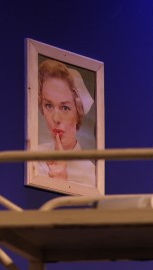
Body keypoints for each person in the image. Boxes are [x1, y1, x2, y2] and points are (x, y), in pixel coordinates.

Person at [34, 58, 96, 187]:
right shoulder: (33, 156)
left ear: (78, 112)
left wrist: (62, 183)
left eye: (65, 108)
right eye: (49, 106)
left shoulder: (92, 174)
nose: (56, 118)